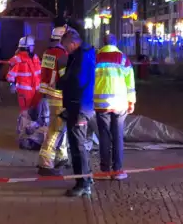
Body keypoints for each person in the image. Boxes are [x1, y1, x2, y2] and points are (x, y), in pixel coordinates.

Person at [58, 27, 96, 198]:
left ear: (73, 44)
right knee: (78, 145)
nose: (66, 51)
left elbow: (77, 80)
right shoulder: (82, 54)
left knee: (77, 146)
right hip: (79, 105)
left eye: (66, 48)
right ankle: (85, 178)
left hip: (79, 106)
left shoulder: (81, 57)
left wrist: (62, 82)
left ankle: (83, 183)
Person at [94, 34, 135, 180]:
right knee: (118, 136)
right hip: (120, 103)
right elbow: (130, 83)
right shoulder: (123, 59)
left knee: (104, 136)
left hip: (101, 104)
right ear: (116, 43)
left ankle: (105, 170)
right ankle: (117, 170)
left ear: (102, 43)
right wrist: (131, 101)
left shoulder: (96, 58)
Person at [34, 25, 70, 176]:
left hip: (50, 95)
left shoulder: (48, 52)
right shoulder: (62, 55)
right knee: (55, 129)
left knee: (60, 127)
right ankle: (45, 163)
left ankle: (61, 156)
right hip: (59, 95)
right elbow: (65, 77)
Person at [7, 36, 42, 113]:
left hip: (36, 90)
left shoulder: (35, 57)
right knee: (25, 113)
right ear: (28, 48)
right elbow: (10, 76)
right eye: (32, 46)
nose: (34, 48)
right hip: (25, 92)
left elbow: (39, 73)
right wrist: (11, 85)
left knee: (35, 114)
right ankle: (23, 125)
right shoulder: (17, 59)